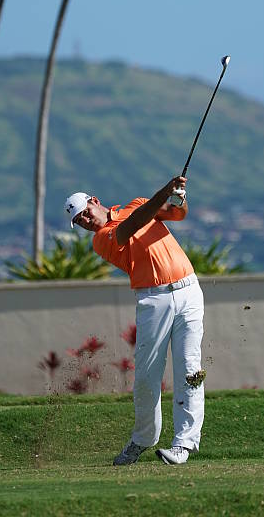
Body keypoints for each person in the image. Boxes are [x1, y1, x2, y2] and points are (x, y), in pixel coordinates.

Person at [64, 175, 205, 466]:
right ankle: (142, 439)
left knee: (190, 368)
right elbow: (135, 223)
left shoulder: (139, 203)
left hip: (189, 290)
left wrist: (178, 198)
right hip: (153, 300)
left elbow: (177, 214)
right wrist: (164, 191)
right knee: (146, 377)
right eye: (79, 222)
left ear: (95, 201)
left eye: (85, 213)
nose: (85, 221)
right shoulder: (102, 240)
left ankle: (184, 444)